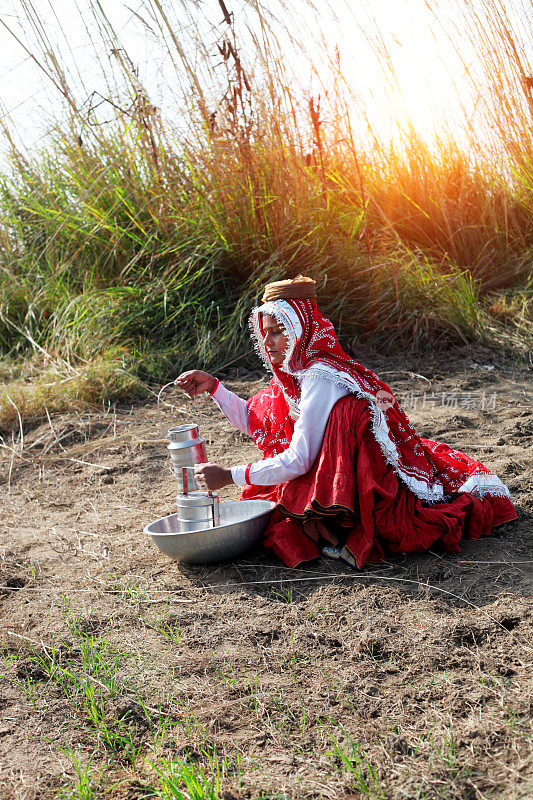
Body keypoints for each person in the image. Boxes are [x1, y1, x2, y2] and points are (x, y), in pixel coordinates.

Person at [175, 276, 517, 569]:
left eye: (279, 331)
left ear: (300, 329)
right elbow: (261, 421)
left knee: (290, 494)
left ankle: (338, 524)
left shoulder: (320, 377)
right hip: (337, 464)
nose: (269, 342)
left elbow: (299, 459)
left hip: (368, 473)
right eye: (265, 333)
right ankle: (323, 521)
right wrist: (215, 389)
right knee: (269, 402)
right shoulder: (298, 371)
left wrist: (231, 476)